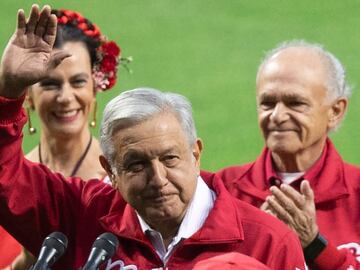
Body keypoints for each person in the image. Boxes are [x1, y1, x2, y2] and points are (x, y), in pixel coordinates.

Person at [0, 5, 307, 270]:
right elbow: (7, 182)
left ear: (196, 154)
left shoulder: (266, 241)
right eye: (136, 165)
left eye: (170, 158)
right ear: (111, 172)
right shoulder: (81, 214)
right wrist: (8, 93)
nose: (158, 178)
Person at [213, 41, 360, 269]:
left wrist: (314, 245)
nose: (278, 116)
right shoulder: (220, 191)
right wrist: (260, 239)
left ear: (335, 111)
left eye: (295, 103)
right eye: (267, 103)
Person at [0, 7, 121, 270]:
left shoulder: (124, 181)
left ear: (94, 86)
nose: (65, 97)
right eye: (50, 84)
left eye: (77, 82)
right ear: (28, 95)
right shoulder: (9, 183)